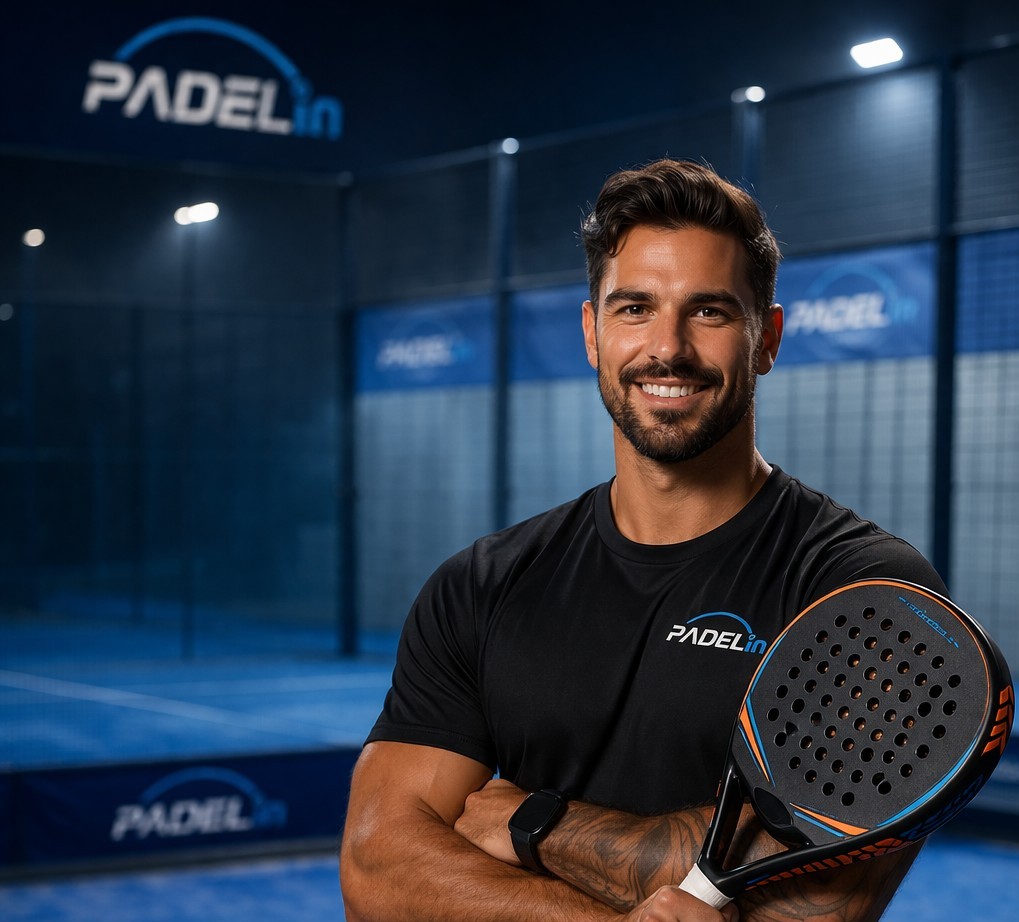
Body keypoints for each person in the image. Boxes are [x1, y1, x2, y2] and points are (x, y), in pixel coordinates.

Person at [339, 159, 946, 922]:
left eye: (710, 312)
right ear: (592, 333)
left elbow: (818, 901)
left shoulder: (864, 593)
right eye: (634, 308)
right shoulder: (482, 584)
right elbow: (378, 866)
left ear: (768, 339)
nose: (667, 347)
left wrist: (535, 825)